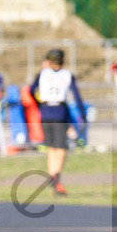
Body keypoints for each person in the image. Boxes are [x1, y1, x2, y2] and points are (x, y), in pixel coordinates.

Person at [29, 48, 84, 196]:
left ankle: (53, 177)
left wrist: (40, 103)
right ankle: (56, 178)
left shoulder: (42, 74)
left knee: (52, 148)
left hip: (45, 112)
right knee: (61, 149)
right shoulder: (67, 75)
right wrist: (82, 116)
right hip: (59, 113)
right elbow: (77, 96)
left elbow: (30, 90)